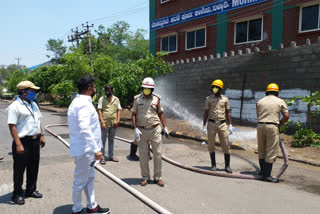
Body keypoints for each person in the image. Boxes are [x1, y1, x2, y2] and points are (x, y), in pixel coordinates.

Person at [68, 76, 110, 214]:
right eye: (94, 86)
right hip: (85, 150)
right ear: (89, 88)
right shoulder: (83, 104)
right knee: (80, 181)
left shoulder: (81, 102)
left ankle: (92, 206)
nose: (96, 88)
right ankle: (77, 209)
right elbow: (85, 128)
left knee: (89, 178)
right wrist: (96, 149)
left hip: (87, 150)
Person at [6, 80, 45, 205]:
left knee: (34, 167)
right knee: (19, 169)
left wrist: (42, 136)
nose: (34, 93)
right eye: (32, 91)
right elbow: (12, 126)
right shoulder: (15, 106)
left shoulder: (33, 104)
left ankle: (30, 190)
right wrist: (18, 144)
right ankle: (17, 194)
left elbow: (38, 121)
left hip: (35, 140)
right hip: (23, 141)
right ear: (23, 92)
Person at [131, 77, 169, 187]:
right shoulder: (137, 99)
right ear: (142, 88)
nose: (146, 90)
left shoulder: (157, 99)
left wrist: (165, 127)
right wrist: (135, 129)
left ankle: (157, 177)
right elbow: (133, 114)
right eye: (145, 88)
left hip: (155, 129)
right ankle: (145, 177)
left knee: (157, 154)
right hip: (141, 130)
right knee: (143, 155)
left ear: (152, 90)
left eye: (149, 89)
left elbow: (161, 113)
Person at [256, 83, 289, 183]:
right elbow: (286, 116)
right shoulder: (280, 101)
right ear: (277, 92)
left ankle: (262, 172)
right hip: (272, 126)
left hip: (260, 125)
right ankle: (267, 176)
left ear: (267, 92)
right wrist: (280, 124)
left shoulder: (260, 101)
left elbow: (258, 114)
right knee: (271, 150)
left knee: (261, 148)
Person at [202, 79, 233, 173]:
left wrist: (230, 124)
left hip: (222, 124)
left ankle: (227, 166)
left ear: (220, 89)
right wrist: (203, 125)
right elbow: (206, 112)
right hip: (211, 124)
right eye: (213, 87)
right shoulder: (208, 99)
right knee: (211, 145)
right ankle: (213, 165)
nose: (214, 89)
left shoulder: (225, 99)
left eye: (216, 88)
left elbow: (228, 112)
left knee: (226, 145)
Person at [97, 85, 121, 164]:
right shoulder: (102, 99)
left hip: (113, 123)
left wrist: (118, 121)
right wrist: (102, 122)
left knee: (111, 140)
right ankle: (102, 157)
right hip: (105, 122)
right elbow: (99, 111)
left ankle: (111, 156)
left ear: (112, 91)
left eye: (109, 90)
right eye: (106, 90)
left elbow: (118, 110)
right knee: (103, 140)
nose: (108, 92)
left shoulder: (116, 99)